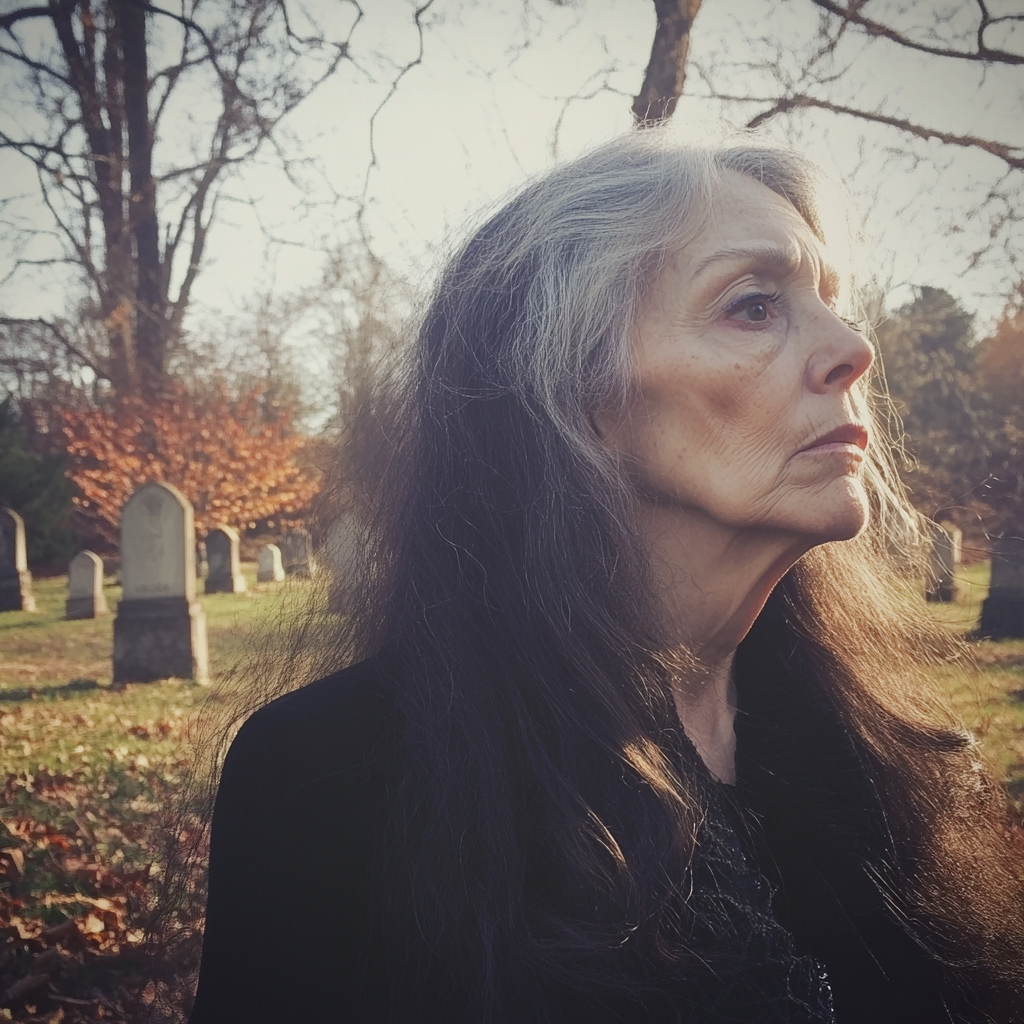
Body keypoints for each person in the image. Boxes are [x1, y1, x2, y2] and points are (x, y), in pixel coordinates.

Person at [189, 133, 1024, 1024]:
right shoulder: (334, 777)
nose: (853, 348)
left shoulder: (904, 764)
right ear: (571, 391)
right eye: (752, 306)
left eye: (831, 302)